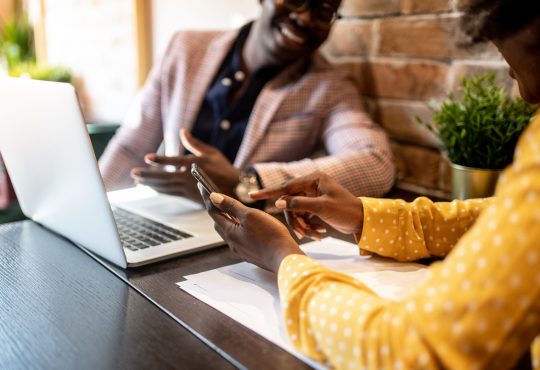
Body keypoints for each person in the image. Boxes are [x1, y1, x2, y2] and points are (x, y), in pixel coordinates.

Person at [200, 0, 540, 368]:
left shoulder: (327, 81)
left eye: (324, 8)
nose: (522, 92)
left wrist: (283, 258)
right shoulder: (191, 48)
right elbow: (494, 218)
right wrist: (364, 216)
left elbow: (408, 349)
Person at [99, 0, 395, 205]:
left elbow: (376, 163)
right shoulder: (185, 48)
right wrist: (94, 205)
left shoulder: (329, 86)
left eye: (324, 10)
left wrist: (247, 183)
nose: (305, 17)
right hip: (162, 214)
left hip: (241, 238)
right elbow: (131, 147)